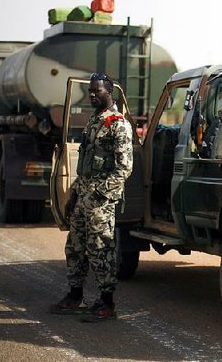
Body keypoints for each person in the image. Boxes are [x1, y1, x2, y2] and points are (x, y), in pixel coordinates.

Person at [49, 72, 134, 322]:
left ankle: (107, 303)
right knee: (74, 248)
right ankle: (75, 296)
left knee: (100, 250)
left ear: (110, 92)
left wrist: (98, 194)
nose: (92, 94)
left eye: (97, 91)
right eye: (90, 91)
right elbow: (85, 165)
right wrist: (74, 194)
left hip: (100, 201)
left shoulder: (119, 124)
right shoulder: (94, 120)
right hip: (83, 194)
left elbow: (124, 168)